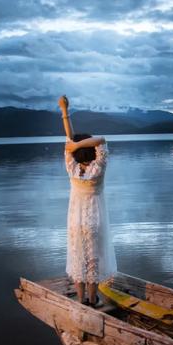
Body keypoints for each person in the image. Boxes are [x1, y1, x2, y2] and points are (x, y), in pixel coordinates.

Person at [58, 95, 117, 307]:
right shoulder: (98, 169)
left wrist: (64, 111)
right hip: (94, 221)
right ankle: (93, 300)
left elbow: (69, 140)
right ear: (92, 152)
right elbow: (101, 140)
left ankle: (81, 299)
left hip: (75, 220)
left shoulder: (72, 169)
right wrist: (77, 144)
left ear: (75, 154)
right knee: (93, 260)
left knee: (77, 257)